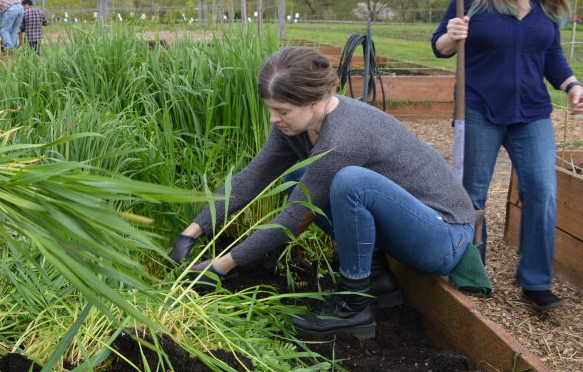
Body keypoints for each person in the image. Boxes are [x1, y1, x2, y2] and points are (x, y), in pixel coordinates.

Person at [169, 46, 477, 340]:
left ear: (314, 102)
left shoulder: (344, 136)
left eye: (282, 111)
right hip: (409, 228)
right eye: (271, 109)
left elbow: (292, 218)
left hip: (444, 236)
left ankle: (353, 306)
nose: (274, 119)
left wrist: (220, 266)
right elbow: (252, 178)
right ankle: (377, 279)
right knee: (298, 175)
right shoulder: (297, 125)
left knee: (349, 183)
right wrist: (192, 232)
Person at [432, 0, 582, 312]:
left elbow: (550, 55)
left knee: (543, 192)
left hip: (531, 113)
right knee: (472, 193)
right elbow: (440, 46)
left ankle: (535, 280)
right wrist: (453, 35)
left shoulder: (547, 3)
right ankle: (470, 269)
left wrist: (571, 85)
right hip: (479, 107)